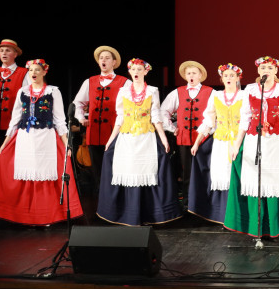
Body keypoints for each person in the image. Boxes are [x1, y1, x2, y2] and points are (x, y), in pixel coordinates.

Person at [0, 59, 83, 226]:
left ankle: (45, 216)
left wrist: (67, 143)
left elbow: (60, 120)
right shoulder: (22, 91)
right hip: (25, 138)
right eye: (31, 70)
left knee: (44, 177)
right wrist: (5, 142)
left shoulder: (53, 91)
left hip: (45, 138)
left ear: (44, 72)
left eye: (37, 70)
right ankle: (25, 216)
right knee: (26, 175)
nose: (33, 73)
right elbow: (15, 119)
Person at [224, 56, 279, 238]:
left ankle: (274, 227)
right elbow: (245, 118)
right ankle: (256, 227)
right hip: (255, 141)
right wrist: (236, 145)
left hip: (277, 142)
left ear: (276, 71)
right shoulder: (251, 89)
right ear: (258, 71)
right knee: (255, 180)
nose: (266, 71)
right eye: (263, 68)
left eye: (270, 68)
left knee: (275, 181)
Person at [97, 58, 180, 226]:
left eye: (139, 69)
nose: (136, 72)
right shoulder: (123, 92)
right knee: (122, 167)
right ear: (130, 72)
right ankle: (123, 212)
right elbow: (120, 117)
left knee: (150, 169)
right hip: (127, 137)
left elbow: (155, 116)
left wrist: (163, 138)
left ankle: (149, 213)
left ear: (145, 72)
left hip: (145, 137)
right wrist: (111, 139)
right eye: (133, 69)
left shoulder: (152, 91)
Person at [189, 63, 244, 225]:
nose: (229, 78)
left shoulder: (244, 96)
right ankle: (222, 215)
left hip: (239, 141)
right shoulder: (216, 96)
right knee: (222, 175)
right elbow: (209, 122)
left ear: (238, 78)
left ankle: (239, 215)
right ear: (221, 78)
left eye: (232, 75)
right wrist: (197, 142)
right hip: (221, 141)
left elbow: (247, 121)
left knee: (238, 175)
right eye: (226, 75)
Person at [71, 45, 128, 197]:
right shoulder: (89, 81)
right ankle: (101, 201)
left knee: (114, 167)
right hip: (93, 131)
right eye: (101, 58)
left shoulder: (124, 82)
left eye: (107, 58)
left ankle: (116, 198)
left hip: (115, 132)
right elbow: (78, 103)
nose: (103, 60)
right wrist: (81, 118)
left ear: (114, 62)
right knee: (96, 167)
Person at [160, 60, 214, 209]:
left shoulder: (210, 92)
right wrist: (172, 128)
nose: (191, 76)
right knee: (187, 172)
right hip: (183, 137)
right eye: (188, 73)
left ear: (200, 75)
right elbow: (163, 111)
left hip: (204, 138)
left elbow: (216, 114)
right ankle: (187, 203)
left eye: (194, 73)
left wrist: (210, 131)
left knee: (204, 169)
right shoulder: (177, 92)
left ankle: (204, 203)